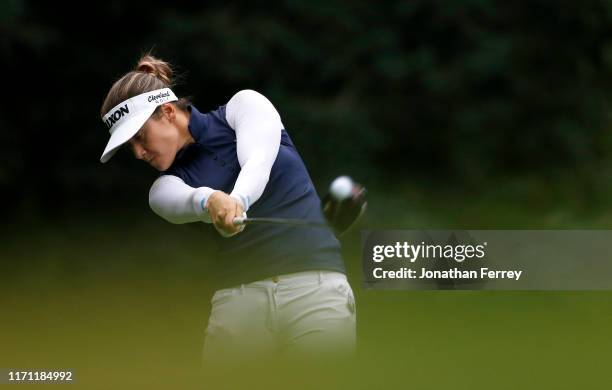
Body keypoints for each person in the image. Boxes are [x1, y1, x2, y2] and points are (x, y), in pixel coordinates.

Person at [99, 54, 356, 362]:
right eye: (130, 147)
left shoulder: (244, 106)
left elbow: (257, 163)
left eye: (140, 137)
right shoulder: (162, 190)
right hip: (238, 301)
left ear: (167, 112)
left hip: (314, 290)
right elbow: (193, 201)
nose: (138, 153)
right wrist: (211, 201)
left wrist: (236, 201)